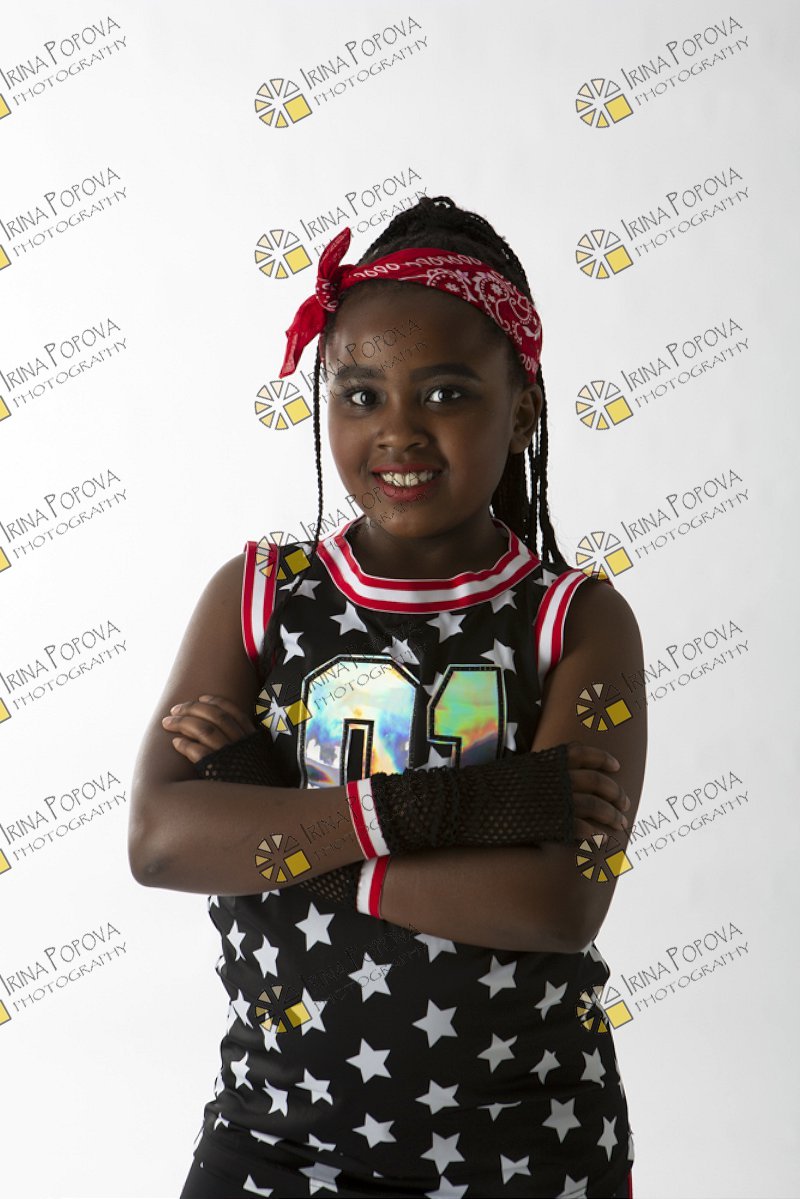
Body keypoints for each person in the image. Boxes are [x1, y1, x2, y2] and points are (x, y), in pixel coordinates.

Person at [129, 195, 647, 1199]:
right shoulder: (258, 594)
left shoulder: (575, 620)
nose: (397, 430)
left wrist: (281, 837)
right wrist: (465, 810)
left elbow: (557, 901)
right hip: (272, 1137)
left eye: (446, 392)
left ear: (522, 407)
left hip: (524, 1145)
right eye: (359, 394)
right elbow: (160, 842)